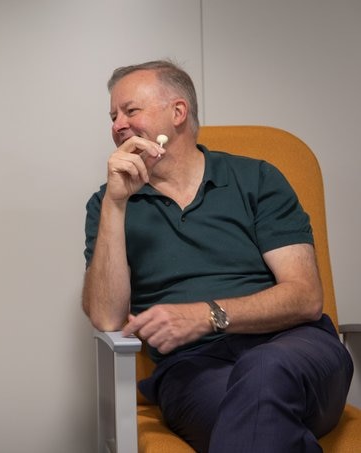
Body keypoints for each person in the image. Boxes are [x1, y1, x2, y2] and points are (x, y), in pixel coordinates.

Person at [82, 60, 353, 452]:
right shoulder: (107, 205)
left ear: (178, 112)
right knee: (260, 422)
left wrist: (204, 315)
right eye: (112, 116)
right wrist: (116, 204)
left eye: (130, 110)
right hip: (194, 370)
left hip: (296, 349)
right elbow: (106, 316)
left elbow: (306, 297)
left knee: (263, 370)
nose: (117, 125)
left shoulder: (256, 179)